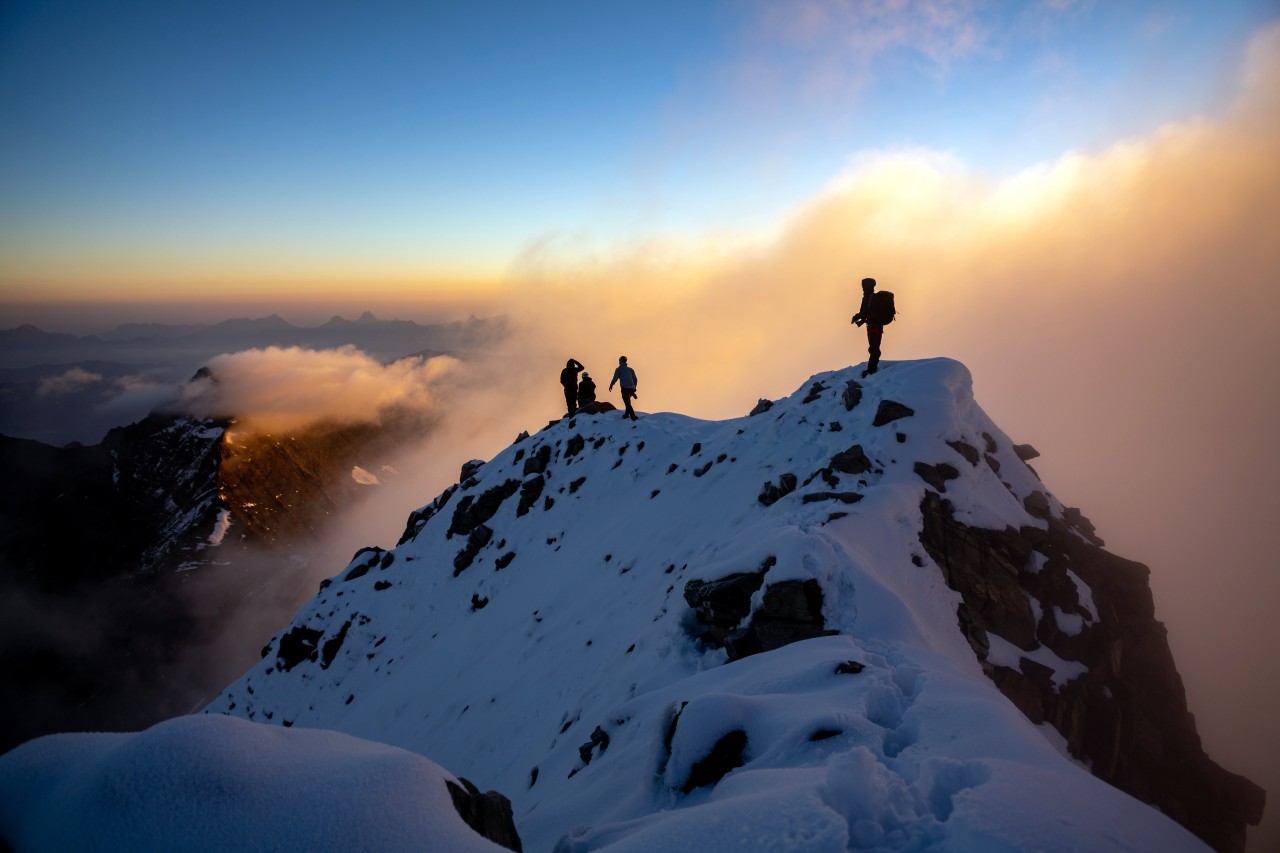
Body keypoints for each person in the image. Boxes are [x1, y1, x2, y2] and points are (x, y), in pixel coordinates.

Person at [851, 277, 884, 378]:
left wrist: (855, 318)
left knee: (873, 348)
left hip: (872, 326)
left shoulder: (867, 297)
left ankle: (871, 369)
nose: (862, 288)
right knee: (876, 347)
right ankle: (872, 367)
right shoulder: (875, 297)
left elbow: (863, 313)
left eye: (863, 286)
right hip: (879, 325)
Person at [608, 355, 639, 421]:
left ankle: (633, 416)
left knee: (627, 403)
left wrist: (611, 385)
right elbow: (635, 379)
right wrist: (634, 387)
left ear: (620, 361)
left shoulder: (619, 369)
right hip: (632, 388)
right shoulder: (630, 369)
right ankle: (626, 415)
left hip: (625, 388)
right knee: (628, 401)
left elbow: (615, 378)